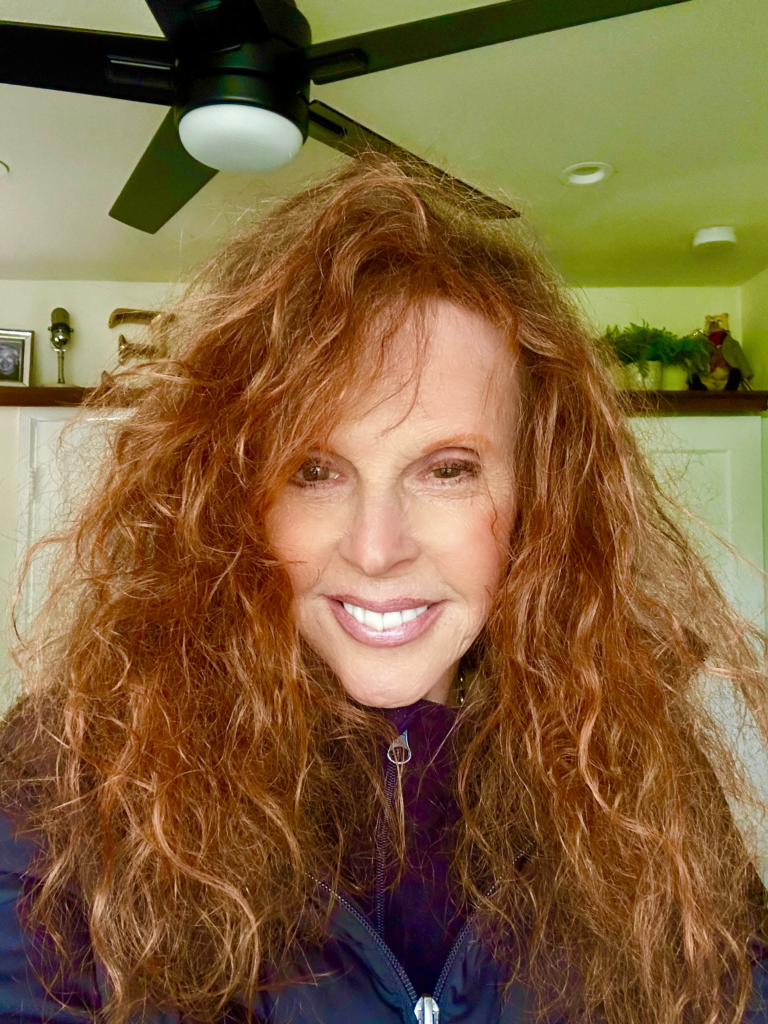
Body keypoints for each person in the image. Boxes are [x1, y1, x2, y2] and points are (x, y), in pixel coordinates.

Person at [1, 151, 768, 1024]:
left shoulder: (635, 771)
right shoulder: (70, 772)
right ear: (231, 496)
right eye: (315, 469)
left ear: (538, 497)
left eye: (448, 470)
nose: (376, 549)